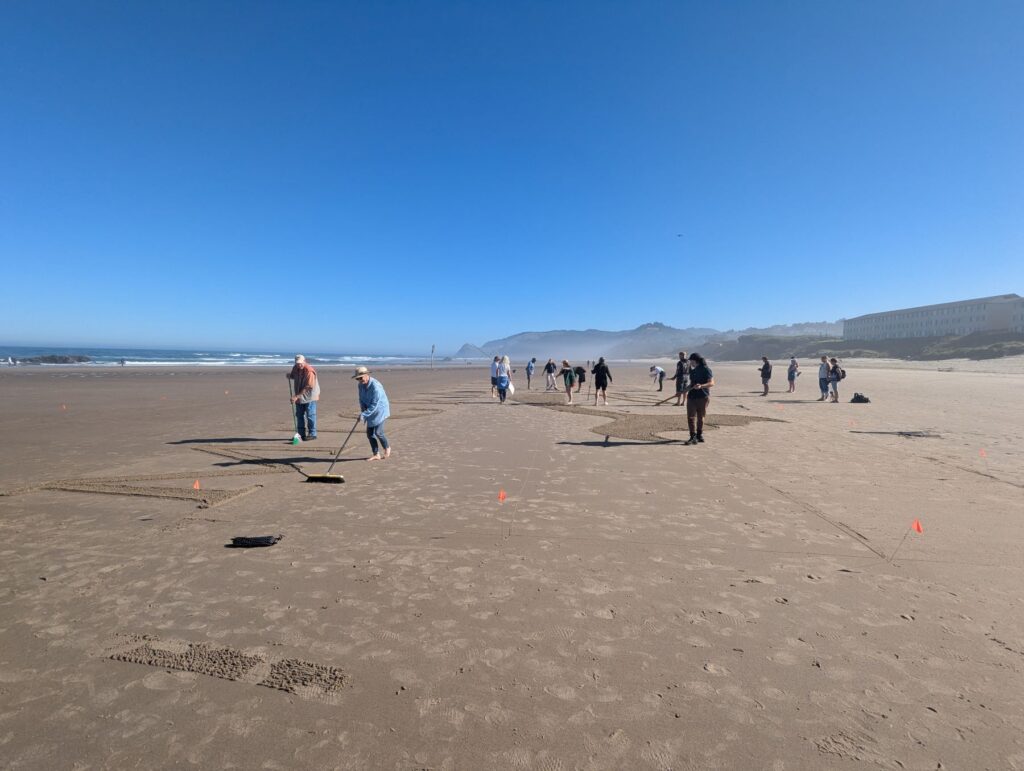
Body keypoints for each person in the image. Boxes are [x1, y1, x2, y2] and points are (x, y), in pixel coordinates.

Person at [353, 366, 391, 460]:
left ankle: (387, 447)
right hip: (369, 410)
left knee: (378, 432)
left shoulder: (375, 386)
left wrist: (364, 414)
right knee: (369, 434)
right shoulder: (360, 385)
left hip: (380, 410)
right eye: (357, 378)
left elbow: (375, 404)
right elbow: (361, 399)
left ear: (366, 375)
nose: (359, 380)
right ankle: (376, 454)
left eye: (361, 378)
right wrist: (363, 411)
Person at [287, 355, 320, 441]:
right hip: (299, 394)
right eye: (297, 363)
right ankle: (300, 434)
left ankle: (312, 434)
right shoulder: (295, 368)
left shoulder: (309, 371)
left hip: (310, 396)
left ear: (304, 361)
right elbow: (294, 376)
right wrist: (290, 376)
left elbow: (308, 386)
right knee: (299, 415)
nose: (299, 365)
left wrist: (296, 396)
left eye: (301, 363)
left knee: (310, 415)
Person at [683, 353, 714, 445]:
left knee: (701, 417)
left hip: (703, 397)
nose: (690, 362)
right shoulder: (693, 371)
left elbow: (711, 383)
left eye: (691, 361)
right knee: (691, 417)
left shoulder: (706, 370)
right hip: (691, 397)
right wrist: (683, 391)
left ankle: (699, 435)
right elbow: (692, 384)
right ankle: (692, 436)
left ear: (695, 360)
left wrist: (701, 386)